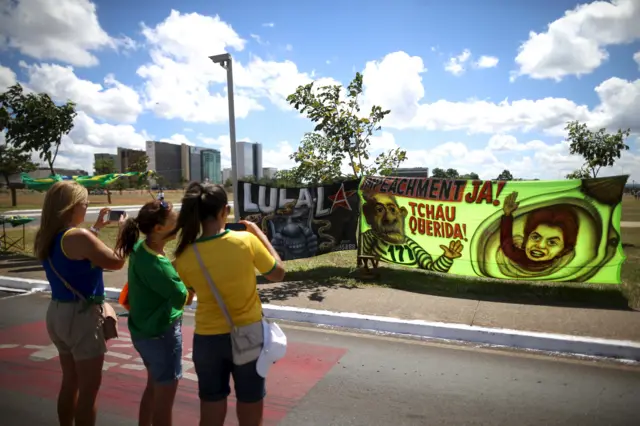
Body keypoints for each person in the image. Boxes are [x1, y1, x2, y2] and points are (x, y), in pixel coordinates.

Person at [171, 182, 285, 426]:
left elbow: (186, 295)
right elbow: (278, 273)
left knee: (211, 405)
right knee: (250, 401)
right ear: (225, 210)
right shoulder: (245, 240)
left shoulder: (183, 255)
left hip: (207, 339)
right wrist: (260, 236)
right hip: (248, 335)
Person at [34, 180, 127, 426]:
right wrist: (123, 231)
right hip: (81, 317)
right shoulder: (78, 236)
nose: (86, 208)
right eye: (85, 204)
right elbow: (116, 262)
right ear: (72, 207)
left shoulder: (49, 236)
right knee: (88, 390)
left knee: (70, 381)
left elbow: (75, 256)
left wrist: (96, 228)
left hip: (57, 312)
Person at [114, 200, 191, 426]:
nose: (179, 222)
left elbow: (162, 273)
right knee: (164, 403)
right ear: (159, 228)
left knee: (153, 387)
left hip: (143, 333)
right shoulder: (159, 266)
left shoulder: (140, 248)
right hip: (162, 335)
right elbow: (183, 296)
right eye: (175, 219)